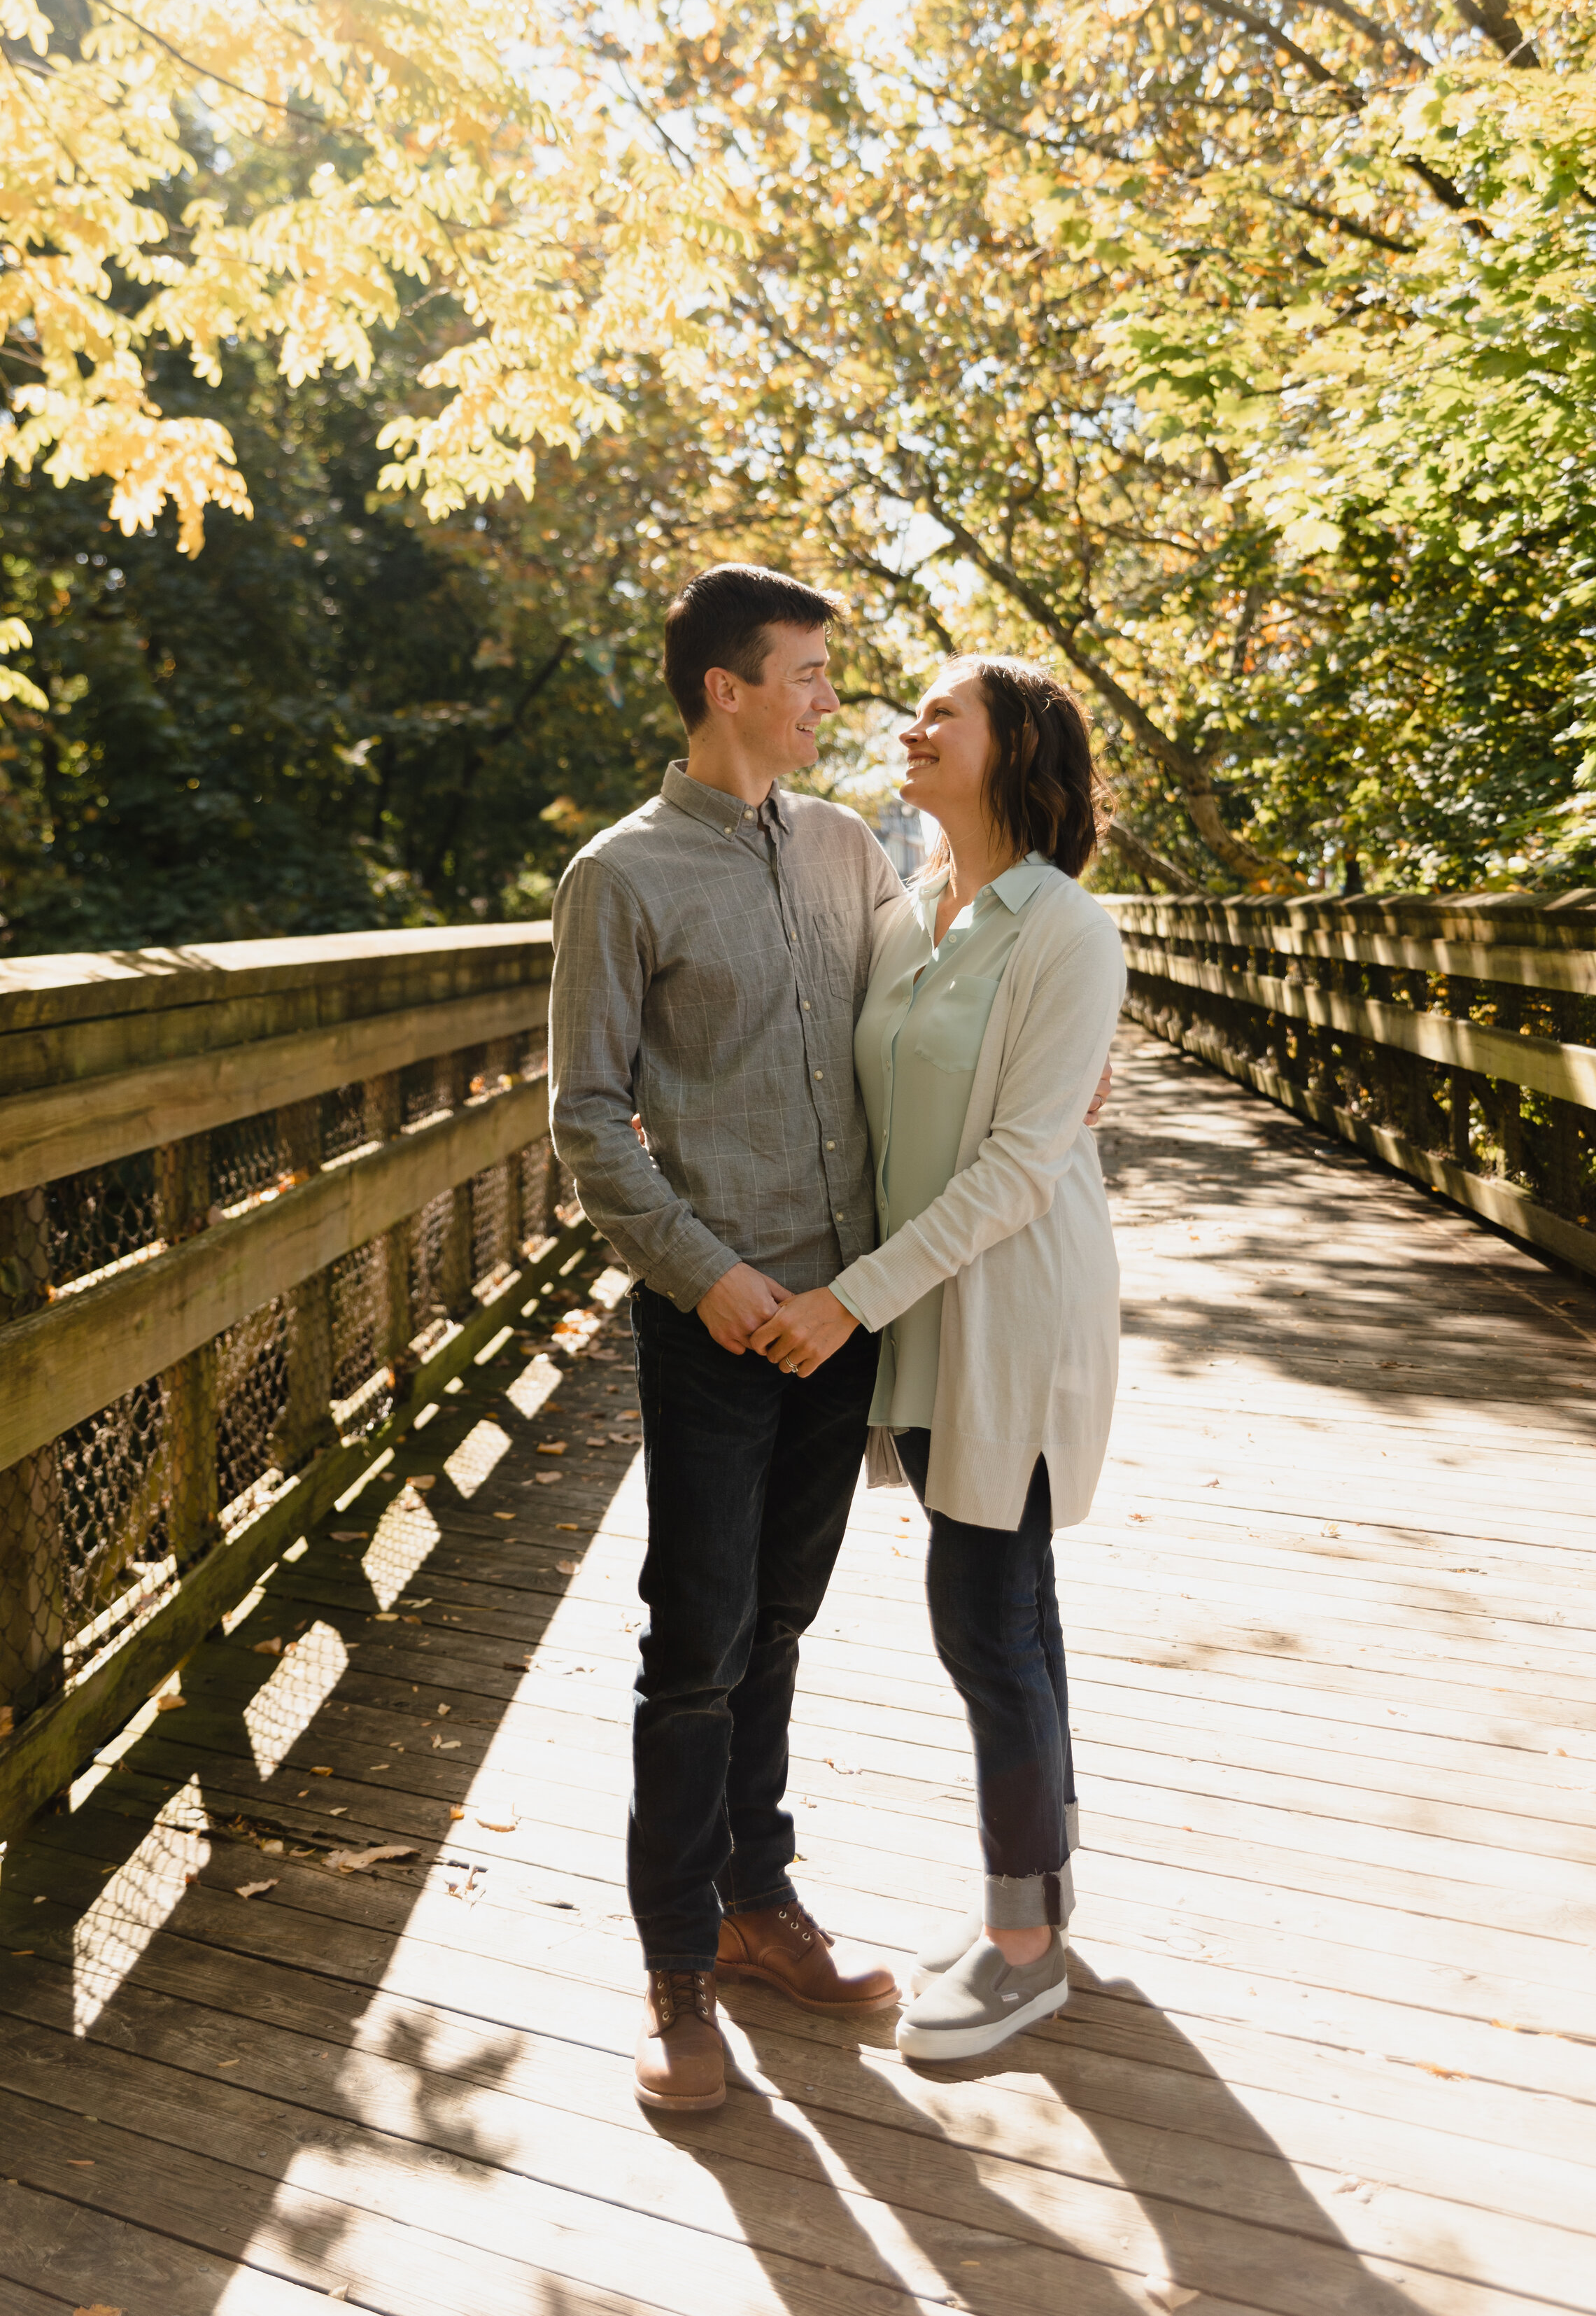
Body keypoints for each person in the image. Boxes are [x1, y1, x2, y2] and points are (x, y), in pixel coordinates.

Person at [547, 564, 910, 2114]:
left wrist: (1060, 1063)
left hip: (842, 1312)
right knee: (693, 1646)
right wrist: (703, 1275)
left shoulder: (844, 850)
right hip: (714, 1318)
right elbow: (580, 1115)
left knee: (778, 1621)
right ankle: (678, 1965)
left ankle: (761, 1905)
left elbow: (933, 1005)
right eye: (810, 673)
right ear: (727, 688)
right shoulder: (617, 878)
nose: (830, 697)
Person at [749, 655, 1125, 2064]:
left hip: (1011, 1305)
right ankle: (1048, 1890)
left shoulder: (1064, 931)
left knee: (980, 1604)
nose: (905, 730)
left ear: (1013, 746)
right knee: (1006, 1595)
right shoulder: (914, 916)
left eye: (938, 715)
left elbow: (1025, 1160)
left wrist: (849, 1299)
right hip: (921, 1300)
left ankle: (1021, 1948)